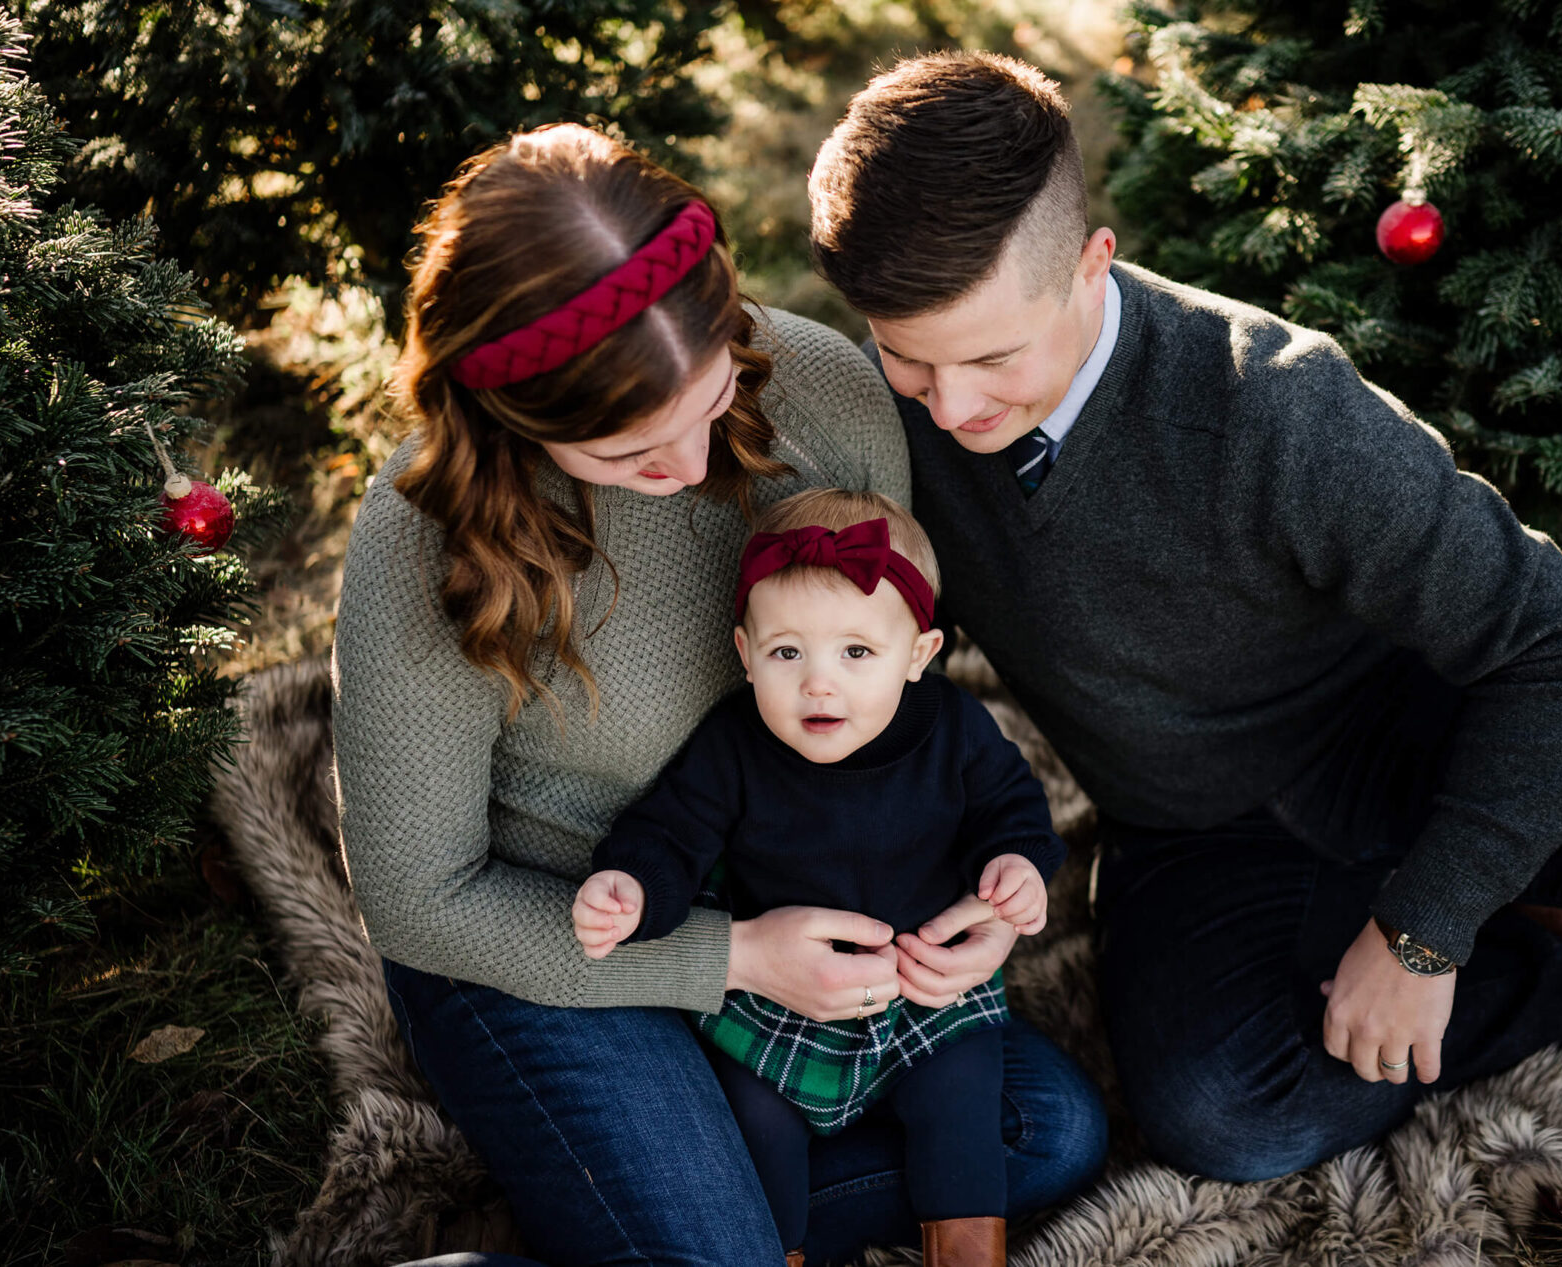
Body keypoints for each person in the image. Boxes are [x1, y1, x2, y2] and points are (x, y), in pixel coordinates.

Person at [804, 51, 1562, 1182]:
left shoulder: (1280, 406)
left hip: (1415, 739)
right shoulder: (877, 421)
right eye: (908, 358)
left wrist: (1421, 927)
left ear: (1093, 265)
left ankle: (1478, 905)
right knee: (1225, 1113)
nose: (950, 409)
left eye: (992, 357)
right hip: (1192, 830)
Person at [330, 122, 1105, 1267]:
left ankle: (661, 1218)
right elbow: (419, 899)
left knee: (1042, 1132)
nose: (692, 473)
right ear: (513, 421)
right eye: (631, 454)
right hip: (559, 942)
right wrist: (726, 958)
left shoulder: (827, 396)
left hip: (805, 873)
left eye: (711, 400)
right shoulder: (426, 539)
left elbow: (891, 679)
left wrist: (981, 906)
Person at [575, 489, 1063, 1267]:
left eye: (856, 653)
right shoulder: (734, 745)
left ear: (919, 655)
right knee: (757, 1126)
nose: (818, 684)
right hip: (780, 992)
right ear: (744, 653)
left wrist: (1016, 869)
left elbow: (1014, 810)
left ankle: (967, 1252)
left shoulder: (955, 729)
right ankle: (778, 1249)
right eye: (786, 652)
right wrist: (633, 887)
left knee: (963, 1102)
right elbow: (671, 829)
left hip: (919, 987)